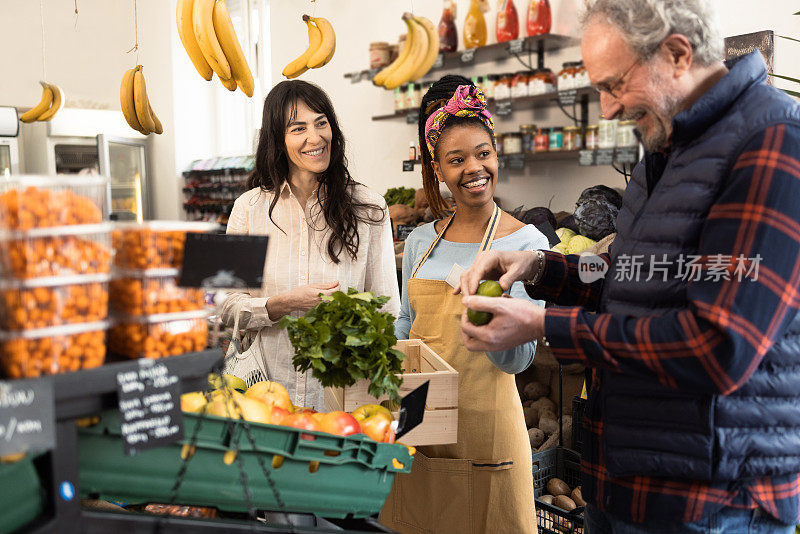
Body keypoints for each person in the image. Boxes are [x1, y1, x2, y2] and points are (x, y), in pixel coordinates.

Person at [457, 0, 800, 532]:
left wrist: (545, 326)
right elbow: (629, 277)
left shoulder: (773, 142)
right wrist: (539, 268)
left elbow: (719, 345)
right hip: (627, 483)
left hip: (711, 503)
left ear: (678, 53)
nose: (608, 108)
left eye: (614, 85)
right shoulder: (666, 147)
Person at [380, 75, 548, 534]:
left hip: (487, 424)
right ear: (438, 170)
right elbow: (405, 326)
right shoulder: (419, 242)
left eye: (483, 154)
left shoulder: (527, 244)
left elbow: (520, 360)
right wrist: (382, 387)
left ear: (497, 156)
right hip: (419, 418)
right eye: (457, 160)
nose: (474, 168)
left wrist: (489, 309)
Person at [221, 80, 399, 411]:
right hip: (266, 396)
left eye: (321, 123)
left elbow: (387, 311)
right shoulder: (249, 209)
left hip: (343, 401)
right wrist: (280, 304)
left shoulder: (369, 208)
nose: (315, 137)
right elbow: (229, 306)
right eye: (298, 128)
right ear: (277, 139)